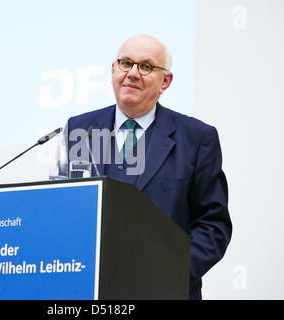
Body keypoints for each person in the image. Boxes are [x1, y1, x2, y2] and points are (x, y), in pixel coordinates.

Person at [65, 34, 232, 300]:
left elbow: (213, 226)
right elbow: (71, 212)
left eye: (145, 66)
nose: (132, 73)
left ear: (165, 81)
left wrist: (168, 272)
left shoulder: (197, 137)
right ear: (112, 70)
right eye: (126, 63)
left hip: (165, 291)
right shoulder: (82, 129)